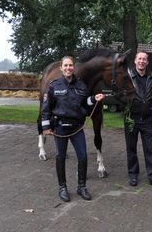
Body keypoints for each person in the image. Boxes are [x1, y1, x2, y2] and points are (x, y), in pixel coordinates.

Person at [41, 56, 105, 202]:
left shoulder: (81, 85)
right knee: (60, 157)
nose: (68, 68)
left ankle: (81, 187)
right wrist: (46, 127)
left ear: (73, 68)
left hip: (77, 128)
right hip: (60, 128)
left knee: (83, 157)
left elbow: (85, 103)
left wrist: (95, 99)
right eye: (66, 65)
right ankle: (62, 188)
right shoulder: (54, 85)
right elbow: (46, 108)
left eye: (71, 65)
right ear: (61, 68)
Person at [124, 51, 152, 190]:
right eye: (139, 59)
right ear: (135, 61)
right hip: (131, 120)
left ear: (147, 62)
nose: (141, 61)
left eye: (144, 59)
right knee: (131, 149)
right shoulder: (127, 77)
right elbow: (119, 94)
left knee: (150, 149)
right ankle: (133, 174)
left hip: (147, 119)